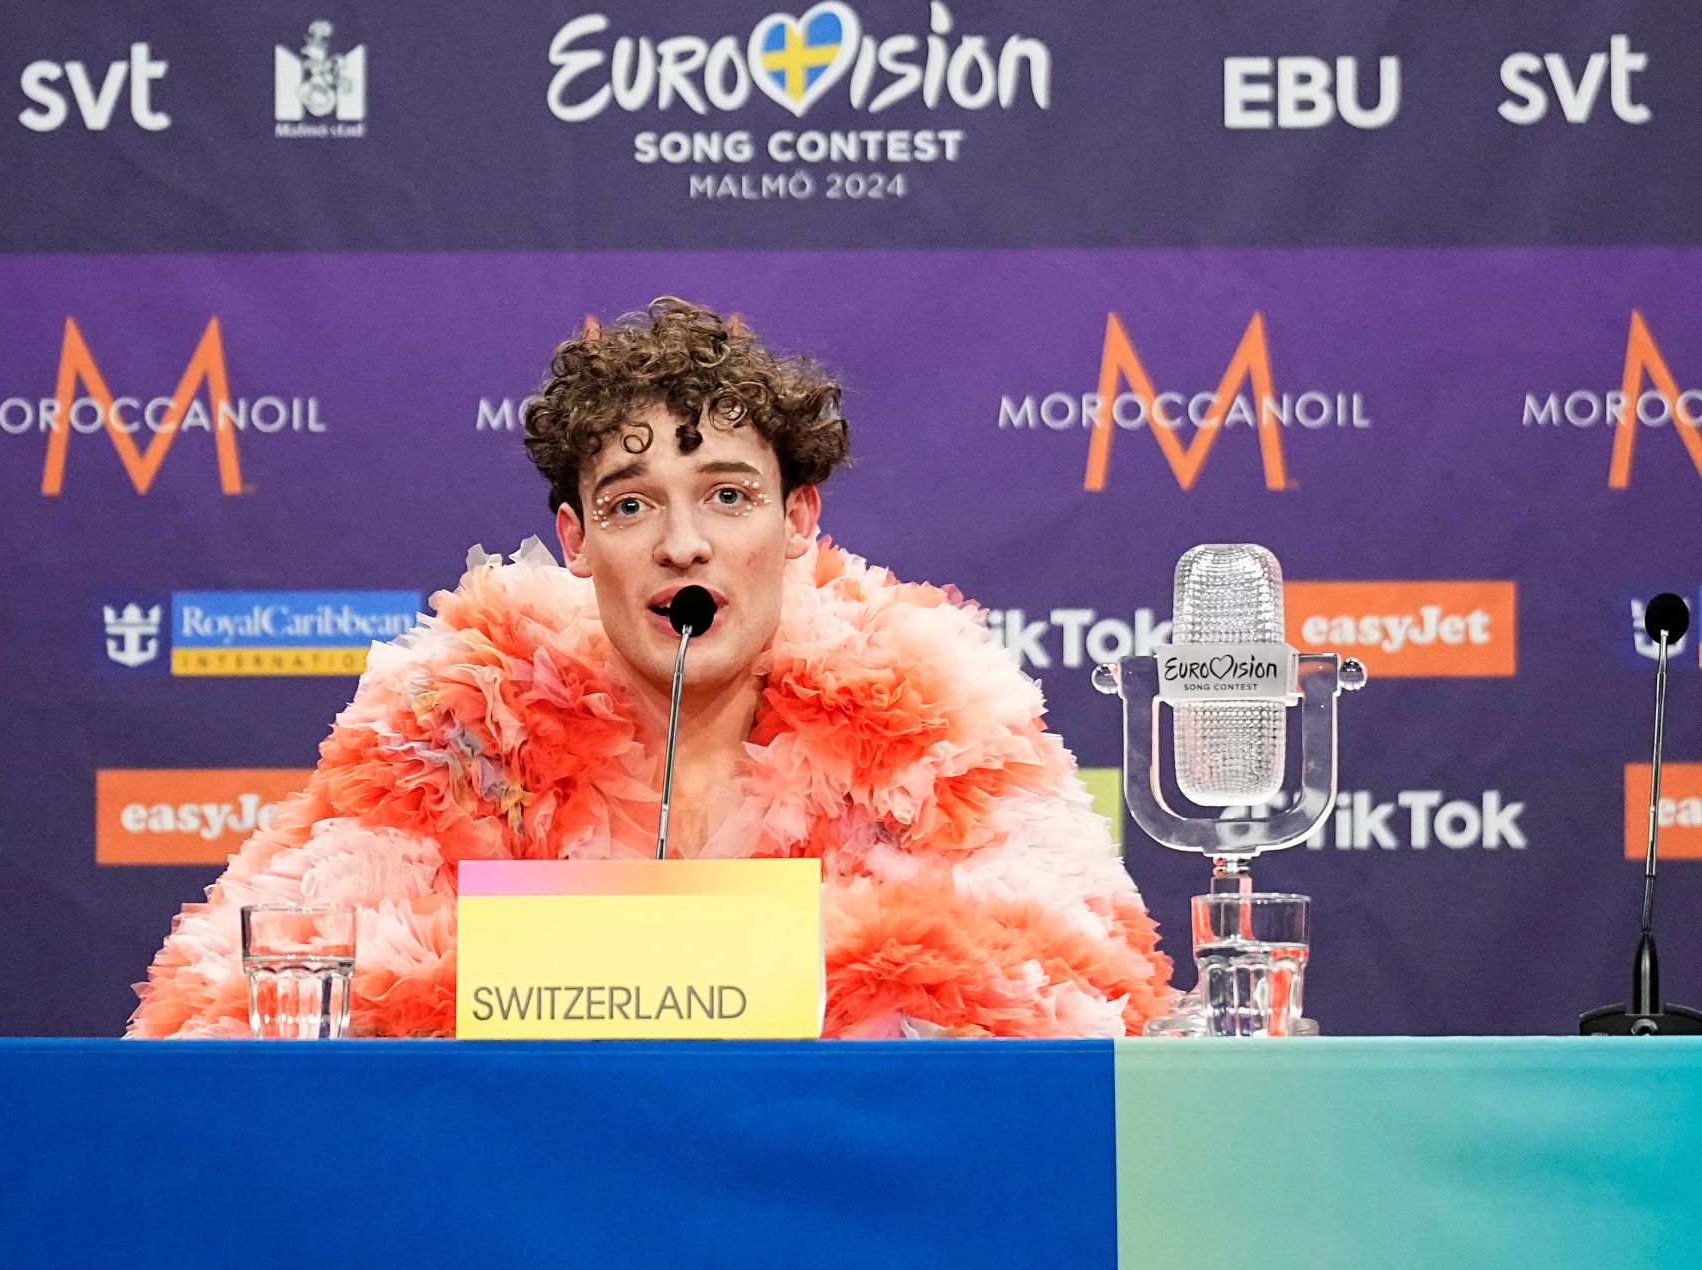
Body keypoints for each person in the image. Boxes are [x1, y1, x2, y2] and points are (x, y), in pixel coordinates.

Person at [129, 298, 1173, 1039]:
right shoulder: (461, 719)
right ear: (576, 540)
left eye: (727, 495)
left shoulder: (929, 714)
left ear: (795, 518)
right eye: (632, 504)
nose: (683, 544)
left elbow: (1086, 991)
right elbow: (222, 1004)